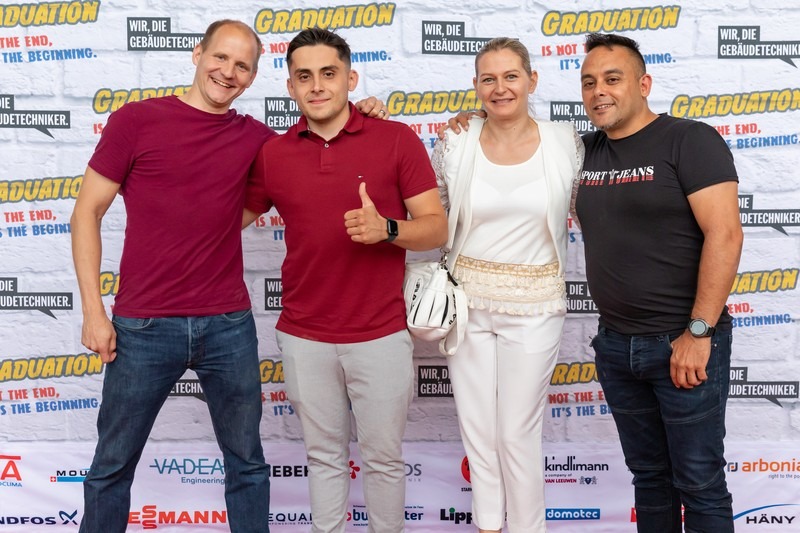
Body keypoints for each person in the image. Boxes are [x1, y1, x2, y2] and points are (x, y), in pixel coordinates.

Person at [71, 19, 386, 533]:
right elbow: (86, 212)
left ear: (253, 77)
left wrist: (364, 112)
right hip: (143, 325)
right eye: (220, 57)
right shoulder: (136, 121)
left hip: (227, 325)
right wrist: (93, 312)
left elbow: (318, 138)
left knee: (247, 464)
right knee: (111, 465)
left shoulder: (257, 140)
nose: (228, 72)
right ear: (197, 54)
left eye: (242, 65)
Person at [242, 27, 446, 533]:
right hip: (303, 334)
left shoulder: (396, 139)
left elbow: (436, 228)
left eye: (329, 73)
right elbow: (225, 219)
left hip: (380, 333)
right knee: (323, 458)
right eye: (304, 76)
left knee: (383, 460)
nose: (317, 86)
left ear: (350, 79)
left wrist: (387, 229)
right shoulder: (273, 154)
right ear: (290, 86)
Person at [575, 33, 742, 532]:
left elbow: (726, 234)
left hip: (682, 342)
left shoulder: (689, 140)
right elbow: (512, 138)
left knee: (699, 482)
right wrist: (470, 120)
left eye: (612, 79)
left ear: (644, 84)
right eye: (589, 82)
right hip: (615, 347)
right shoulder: (579, 151)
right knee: (649, 479)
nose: (599, 91)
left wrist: (698, 333)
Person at [435, 38, 583, 533]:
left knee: (517, 432)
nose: (500, 88)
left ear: (532, 80)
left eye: (511, 76)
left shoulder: (565, 142)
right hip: (467, 304)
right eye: (489, 79)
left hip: (536, 305)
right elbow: (434, 213)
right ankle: (487, 526)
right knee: (478, 431)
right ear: (476, 86)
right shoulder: (456, 141)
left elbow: (591, 210)